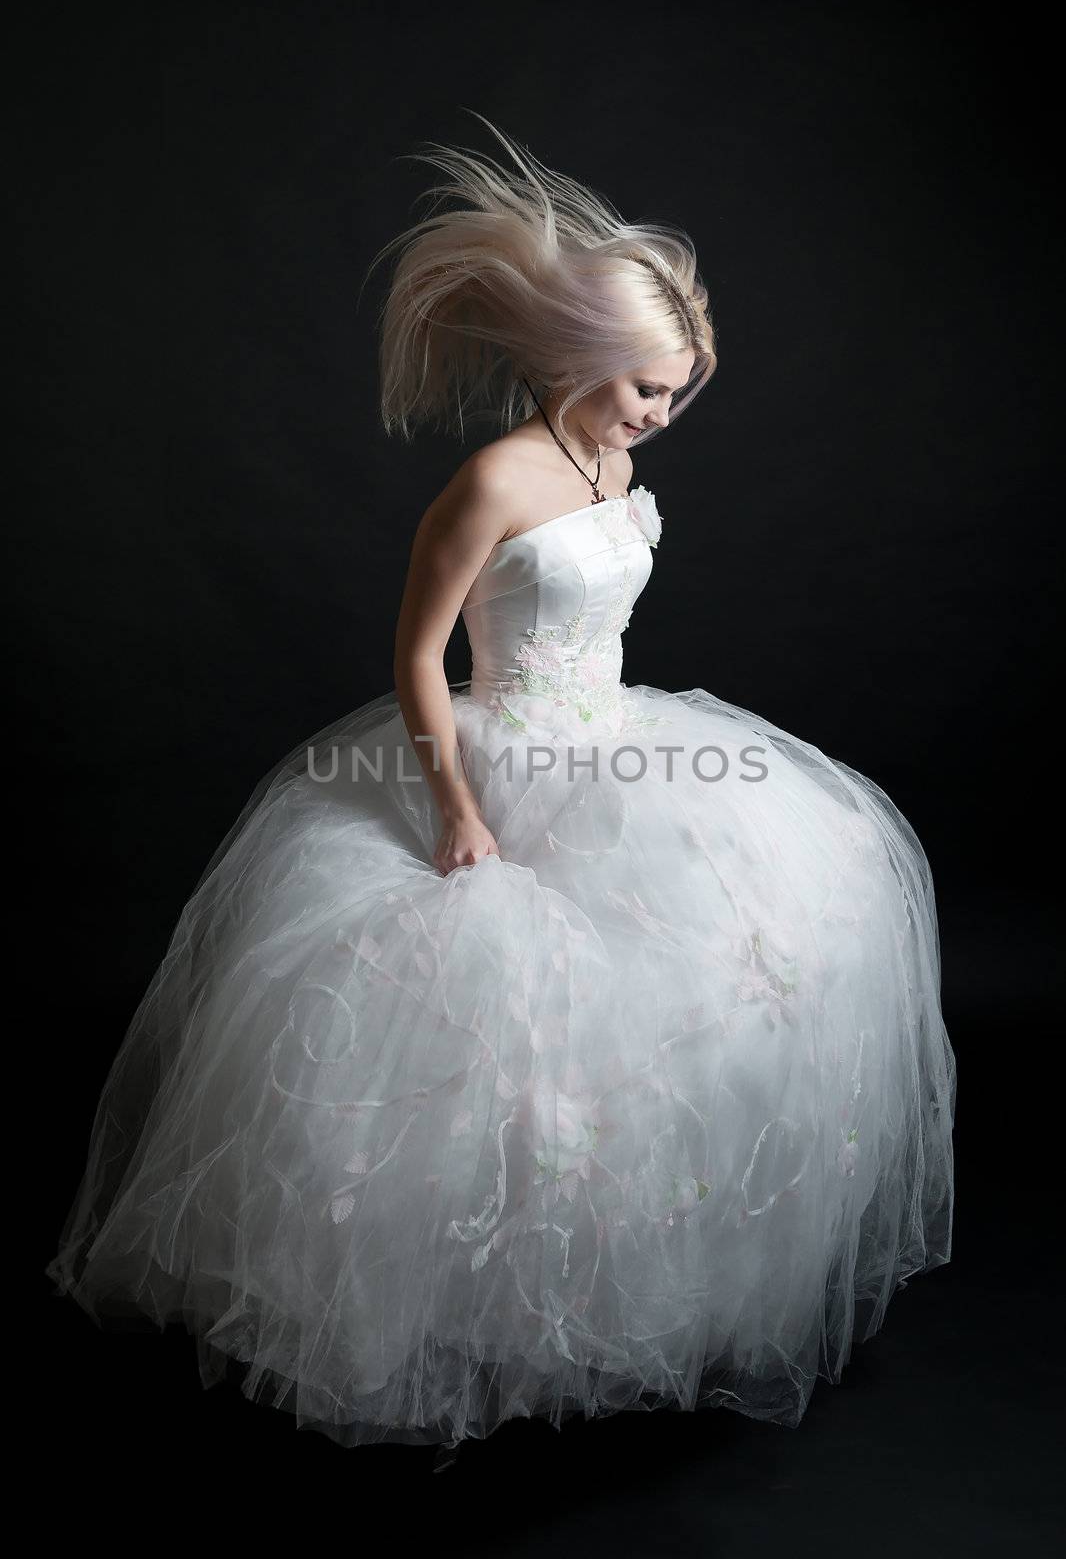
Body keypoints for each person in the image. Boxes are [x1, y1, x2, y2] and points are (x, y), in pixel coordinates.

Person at [44, 112, 956, 1455]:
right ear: (581, 364)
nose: (661, 418)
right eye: (646, 389)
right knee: (490, 1042)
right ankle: (461, 1312)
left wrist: (636, 455)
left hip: (624, 743)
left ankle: (640, 1284)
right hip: (503, 749)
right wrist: (459, 808)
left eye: (673, 396)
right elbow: (418, 655)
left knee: (723, 986)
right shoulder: (490, 483)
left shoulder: (615, 463)